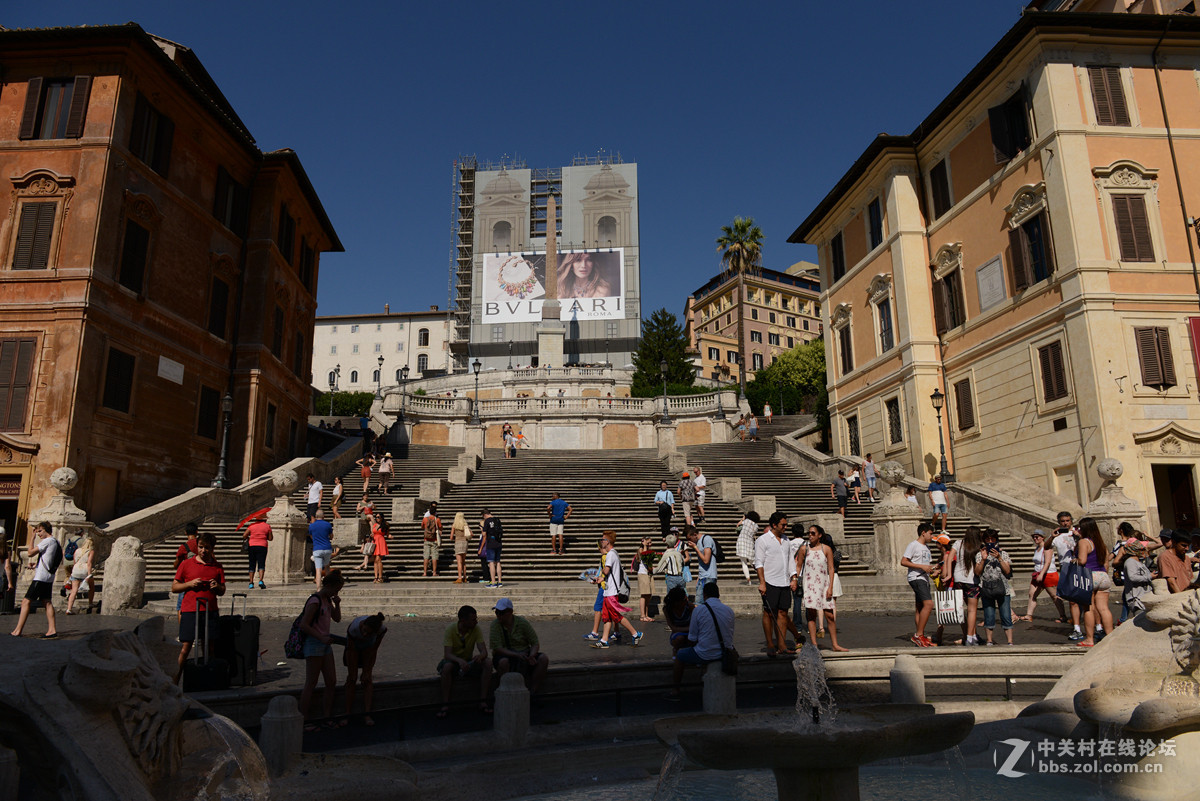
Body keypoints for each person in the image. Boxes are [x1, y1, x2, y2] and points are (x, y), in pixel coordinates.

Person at [170, 531, 224, 683]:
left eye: (207, 548)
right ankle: (175, 681)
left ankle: (209, 680)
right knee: (185, 647)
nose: (203, 551)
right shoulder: (186, 564)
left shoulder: (217, 566)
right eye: (201, 547)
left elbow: (222, 590)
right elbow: (174, 587)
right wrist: (189, 584)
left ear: (212, 549)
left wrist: (217, 586)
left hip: (210, 610)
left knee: (210, 647)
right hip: (190, 610)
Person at [668, 582, 735, 699]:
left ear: (704, 595)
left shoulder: (699, 610)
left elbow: (692, 639)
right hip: (725, 652)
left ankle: (675, 689)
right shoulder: (729, 610)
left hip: (705, 653)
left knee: (680, 655)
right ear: (718, 595)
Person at [298, 569, 344, 731]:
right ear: (329, 586)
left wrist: (337, 603)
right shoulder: (315, 601)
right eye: (336, 590)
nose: (336, 593)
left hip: (325, 644)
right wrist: (320, 637)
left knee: (331, 681)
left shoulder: (327, 600)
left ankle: (327, 716)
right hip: (314, 643)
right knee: (311, 683)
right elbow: (303, 625)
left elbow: (337, 619)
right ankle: (303, 720)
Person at [795, 524, 848, 652]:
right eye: (809, 533)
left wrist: (830, 587)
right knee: (811, 615)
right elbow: (798, 565)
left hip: (824, 585)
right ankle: (814, 644)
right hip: (810, 585)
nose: (810, 535)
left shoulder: (827, 549)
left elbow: (831, 568)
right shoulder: (804, 549)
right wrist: (795, 579)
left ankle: (835, 644)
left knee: (829, 615)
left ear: (819, 535)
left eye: (813, 533)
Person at [437, 605, 492, 717]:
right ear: (463, 620)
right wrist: (459, 661)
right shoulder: (451, 629)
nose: (476, 622)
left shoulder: (476, 629)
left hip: (469, 662)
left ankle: (483, 701)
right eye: (473, 620)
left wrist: (480, 656)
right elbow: (447, 654)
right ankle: (445, 703)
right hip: (454, 662)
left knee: (488, 663)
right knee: (447, 668)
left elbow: (484, 651)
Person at [755, 511, 798, 656]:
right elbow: (759, 563)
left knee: (783, 612)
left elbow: (791, 560)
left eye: (786, 524)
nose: (786, 527)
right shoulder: (763, 540)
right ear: (774, 525)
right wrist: (762, 583)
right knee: (769, 612)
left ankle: (782, 644)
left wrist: (794, 578)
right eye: (783, 525)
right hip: (769, 581)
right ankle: (770, 643)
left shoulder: (786, 540)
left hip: (784, 581)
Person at [591, 533, 643, 648]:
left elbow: (606, 571)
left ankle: (635, 633)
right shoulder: (613, 554)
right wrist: (599, 579)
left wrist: (600, 573)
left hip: (611, 592)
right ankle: (604, 640)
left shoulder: (610, 555)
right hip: (608, 590)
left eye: (603, 540)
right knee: (607, 617)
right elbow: (608, 575)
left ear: (607, 542)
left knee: (616, 616)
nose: (601, 542)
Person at [10, 522, 61, 639]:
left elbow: (30, 553)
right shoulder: (55, 541)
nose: (38, 534)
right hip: (48, 576)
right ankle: (52, 630)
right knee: (47, 602)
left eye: (39, 531)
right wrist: (37, 565)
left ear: (46, 530)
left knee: (25, 602)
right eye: (37, 532)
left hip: (41, 577)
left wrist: (31, 538)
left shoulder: (47, 541)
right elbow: (49, 558)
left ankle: (18, 630)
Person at [489, 598, 549, 695]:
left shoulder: (522, 623)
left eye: (502, 613)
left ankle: (533, 691)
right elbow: (497, 648)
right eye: (497, 612)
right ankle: (506, 691)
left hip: (524, 653)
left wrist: (532, 655)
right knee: (503, 662)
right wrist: (516, 654)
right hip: (506, 654)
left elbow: (534, 643)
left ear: (510, 612)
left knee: (543, 659)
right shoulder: (495, 625)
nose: (498, 615)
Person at [1075, 517, 1114, 647]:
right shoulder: (1100, 542)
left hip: (1089, 575)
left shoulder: (1084, 542)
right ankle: (1110, 638)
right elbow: (1106, 562)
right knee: (1104, 608)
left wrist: (1072, 561)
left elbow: (1082, 561)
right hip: (1103, 575)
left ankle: (1089, 639)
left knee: (1088, 608)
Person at [343, 612, 386, 726]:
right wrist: (355, 672)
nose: (365, 634)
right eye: (364, 630)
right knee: (351, 678)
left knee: (367, 679)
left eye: (368, 633)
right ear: (362, 625)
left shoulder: (381, 630)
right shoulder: (354, 628)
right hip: (353, 646)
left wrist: (366, 671)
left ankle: (367, 714)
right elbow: (351, 649)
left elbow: (374, 650)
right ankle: (347, 714)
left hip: (369, 647)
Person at [901, 522, 938, 647]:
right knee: (929, 604)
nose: (932, 536)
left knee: (920, 608)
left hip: (924, 578)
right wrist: (921, 566)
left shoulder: (927, 548)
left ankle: (920, 635)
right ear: (923, 533)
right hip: (916, 578)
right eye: (930, 533)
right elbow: (904, 561)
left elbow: (927, 566)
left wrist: (934, 569)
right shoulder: (913, 545)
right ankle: (918, 635)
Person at [975, 529, 1014, 645]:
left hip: (1003, 588)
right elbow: (977, 572)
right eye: (988, 539)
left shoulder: (1003, 554)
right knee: (989, 614)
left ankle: (1010, 641)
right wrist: (983, 559)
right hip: (986, 587)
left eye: (992, 539)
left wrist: (999, 558)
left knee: (1006, 614)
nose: (990, 541)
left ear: (996, 540)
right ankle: (989, 640)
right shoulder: (980, 554)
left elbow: (1007, 571)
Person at [1021, 529, 1067, 624]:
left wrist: (1042, 574)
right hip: (1037, 574)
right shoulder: (1037, 548)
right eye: (1033, 537)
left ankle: (1063, 616)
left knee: (1054, 596)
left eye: (1037, 536)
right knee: (1032, 594)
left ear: (1042, 538)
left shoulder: (1047, 547)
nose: (1035, 538)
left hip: (1048, 574)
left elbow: (1048, 562)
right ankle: (1029, 615)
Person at [1051, 512, 1084, 640]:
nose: (1066, 523)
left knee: (1085, 597)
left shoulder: (1078, 533)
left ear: (1072, 521)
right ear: (1059, 522)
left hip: (1080, 567)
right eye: (1063, 521)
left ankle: (1096, 626)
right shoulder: (1057, 536)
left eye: (1068, 521)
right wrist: (1051, 536)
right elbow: (1047, 546)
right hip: (1066, 568)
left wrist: (1078, 536)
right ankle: (1076, 627)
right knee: (1072, 599)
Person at [949, 527, 983, 645]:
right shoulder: (979, 547)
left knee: (961, 609)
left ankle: (972, 635)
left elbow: (949, 558)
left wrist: (949, 574)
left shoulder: (958, 543)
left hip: (958, 580)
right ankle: (970, 637)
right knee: (972, 610)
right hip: (972, 581)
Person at [173, 522, 199, 621]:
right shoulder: (202, 545)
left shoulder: (184, 547)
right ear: (197, 532)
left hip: (187, 578)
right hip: (201, 575)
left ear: (185, 533)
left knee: (181, 607)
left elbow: (176, 564)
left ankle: (182, 631)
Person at [686, 525, 719, 600]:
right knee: (699, 602)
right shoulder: (697, 542)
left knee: (704, 602)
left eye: (689, 539)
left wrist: (695, 548)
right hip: (702, 577)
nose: (689, 541)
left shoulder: (706, 539)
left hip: (709, 577)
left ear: (694, 534)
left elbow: (706, 560)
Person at [243, 515, 272, 590]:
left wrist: (250, 536)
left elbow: (244, 535)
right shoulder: (267, 526)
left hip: (252, 546)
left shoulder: (252, 525)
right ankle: (261, 581)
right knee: (261, 564)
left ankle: (251, 582)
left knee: (252, 564)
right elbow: (270, 538)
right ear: (264, 520)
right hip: (262, 546)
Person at [309, 510, 335, 590]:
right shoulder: (327, 525)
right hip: (327, 548)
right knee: (327, 566)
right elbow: (331, 536)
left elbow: (311, 536)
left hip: (317, 548)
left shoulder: (312, 526)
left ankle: (318, 588)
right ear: (323, 516)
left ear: (316, 517)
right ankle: (328, 585)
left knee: (318, 569)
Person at [635, 536, 657, 622]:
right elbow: (644, 555)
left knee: (648, 594)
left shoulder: (648, 551)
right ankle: (642, 615)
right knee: (644, 594)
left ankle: (646, 614)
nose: (650, 544)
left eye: (651, 542)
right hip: (642, 574)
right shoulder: (641, 550)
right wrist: (644, 545)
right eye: (648, 543)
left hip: (648, 573)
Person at [735, 511, 761, 583]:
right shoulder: (756, 526)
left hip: (741, 542)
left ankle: (748, 580)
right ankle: (761, 576)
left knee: (744, 563)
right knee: (753, 562)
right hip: (750, 543)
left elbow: (738, 525)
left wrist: (743, 519)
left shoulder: (746, 521)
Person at [481, 509, 504, 588]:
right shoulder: (497, 520)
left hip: (491, 543)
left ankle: (493, 582)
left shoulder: (487, 521)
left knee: (491, 562)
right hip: (498, 542)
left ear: (484, 515)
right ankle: (500, 581)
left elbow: (484, 534)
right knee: (498, 562)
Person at [451, 512, 472, 584]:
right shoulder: (465, 525)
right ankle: (465, 577)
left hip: (458, 542)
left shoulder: (454, 525)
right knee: (463, 561)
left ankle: (460, 577)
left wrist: (456, 537)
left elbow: (451, 537)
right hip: (465, 543)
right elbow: (471, 534)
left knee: (459, 562)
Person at [422, 503, 442, 578]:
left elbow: (422, 527)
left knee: (426, 556)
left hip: (426, 539)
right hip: (435, 540)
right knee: (434, 557)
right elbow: (440, 528)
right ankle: (434, 572)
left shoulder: (425, 519)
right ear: (435, 512)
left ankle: (425, 572)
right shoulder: (437, 520)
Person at [370, 512, 389, 583]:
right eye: (376, 517)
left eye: (378, 517)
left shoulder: (385, 525)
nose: (377, 518)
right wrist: (372, 535)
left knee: (378, 559)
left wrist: (390, 536)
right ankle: (376, 577)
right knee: (375, 560)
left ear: (381, 518)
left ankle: (380, 577)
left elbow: (387, 534)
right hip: (375, 542)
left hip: (381, 542)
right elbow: (373, 533)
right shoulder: (374, 525)